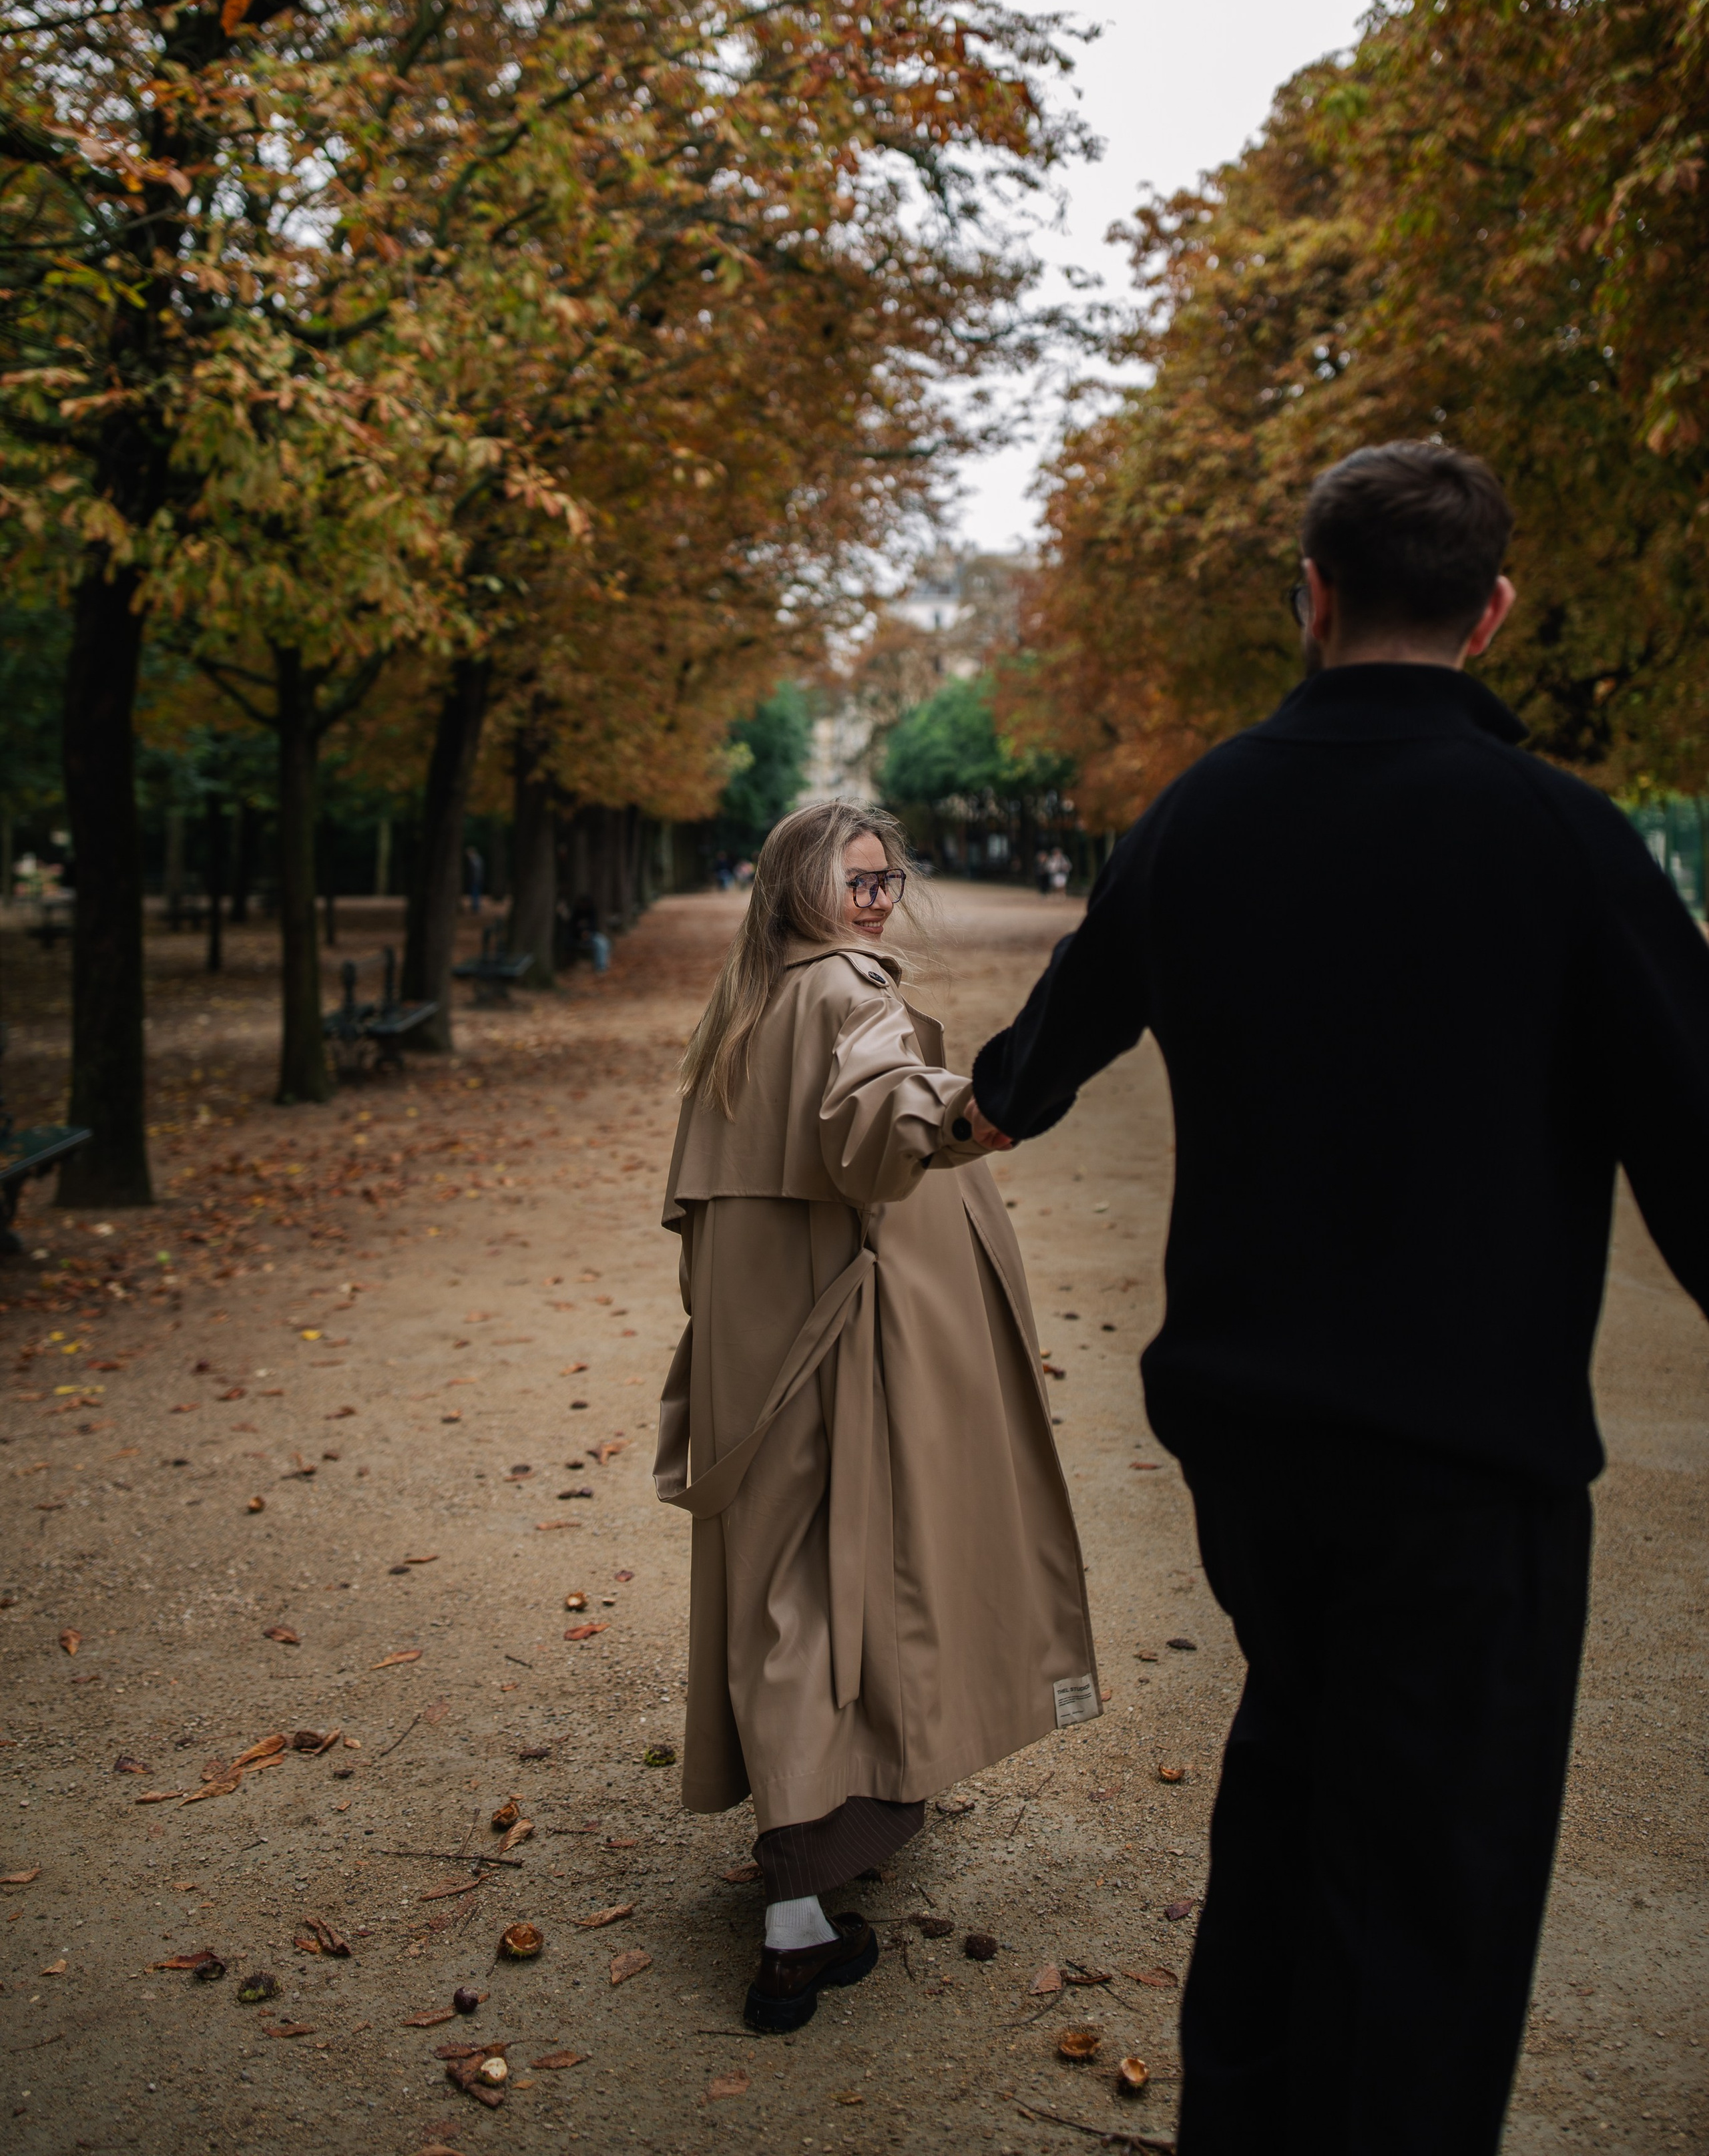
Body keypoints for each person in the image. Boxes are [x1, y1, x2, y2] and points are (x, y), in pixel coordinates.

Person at [963, 443, 1709, 2156]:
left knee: (1294, 1796)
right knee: (1433, 1893)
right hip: (1467, 1470)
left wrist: (967, 1109)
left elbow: (1040, 1052)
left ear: (1308, 597)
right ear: (1493, 612)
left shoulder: (1205, 809)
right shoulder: (1558, 838)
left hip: (1254, 1460)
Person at [657, 799, 1099, 2034]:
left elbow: (705, 1209)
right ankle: (800, 1911)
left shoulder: (745, 1006)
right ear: (800, 887)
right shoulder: (851, 989)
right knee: (834, 1590)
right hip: (834, 1341)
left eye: (885, 880)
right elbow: (874, 1117)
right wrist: (975, 1110)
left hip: (767, 1343)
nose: (876, 898)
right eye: (854, 879)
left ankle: (822, 1842)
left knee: (787, 1582)